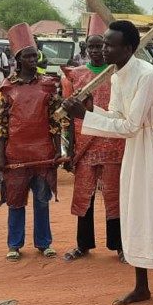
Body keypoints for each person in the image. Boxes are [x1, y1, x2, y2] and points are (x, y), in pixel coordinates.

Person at [61, 20, 153, 305]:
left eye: (110, 45)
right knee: (134, 211)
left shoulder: (146, 76)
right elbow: (119, 117)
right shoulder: (118, 76)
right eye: (103, 43)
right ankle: (142, 287)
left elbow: (130, 125)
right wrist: (91, 110)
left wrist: (85, 116)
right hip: (136, 146)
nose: (103, 49)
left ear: (129, 49)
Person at [60, 14, 126, 264]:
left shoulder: (118, 74)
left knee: (114, 195)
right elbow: (67, 114)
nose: (97, 50)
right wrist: (70, 147)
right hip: (85, 144)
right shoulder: (76, 75)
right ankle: (82, 244)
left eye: (101, 46)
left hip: (113, 143)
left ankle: (119, 245)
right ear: (86, 49)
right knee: (83, 194)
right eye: (93, 46)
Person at [0, 23, 62, 262]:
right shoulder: (8, 87)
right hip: (16, 154)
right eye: (29, 55)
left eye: (35, 54)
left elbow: (55, 120)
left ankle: (44, 243)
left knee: (42, 201)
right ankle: (14, 244)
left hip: (43, 152)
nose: (34, 59)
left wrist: (58, 150)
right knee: (15, 201)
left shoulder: (48, 84)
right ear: (18, 59)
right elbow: (2, 124)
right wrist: (1, 155)